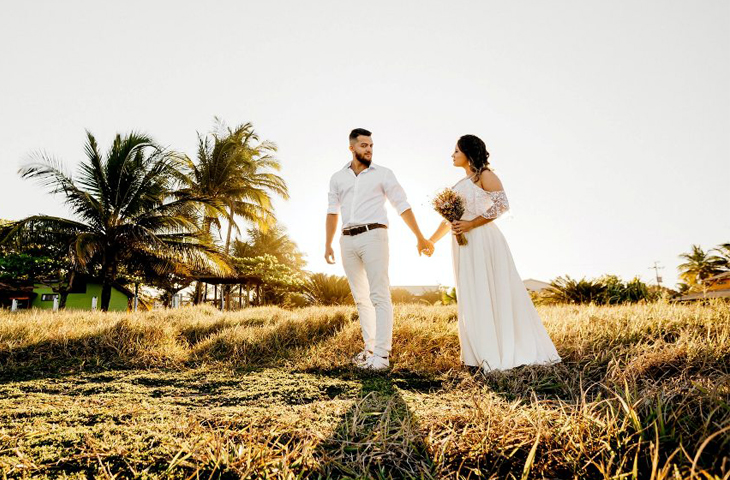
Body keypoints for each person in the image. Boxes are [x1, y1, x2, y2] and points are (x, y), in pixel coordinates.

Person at [428, 134, 561, 371]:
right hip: (462, 245)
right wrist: (430, 241)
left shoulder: (485, 175)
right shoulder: (458, 185)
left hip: (482, 239)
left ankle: (500, 351)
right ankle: (478, 354)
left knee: (491, 289)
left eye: (456, 151)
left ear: (468, 154)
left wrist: (470, 225)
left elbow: (502, 205)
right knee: (471, 294)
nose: (452, 155)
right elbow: (448, 221)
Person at [325, 128, 434, 371]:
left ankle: (382, 356)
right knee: (361, 299)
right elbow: (332, 211)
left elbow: (402, 205)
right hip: (347, 239)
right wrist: (328, 243)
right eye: (364, 145)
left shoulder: (383, 174)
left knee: (379, 296)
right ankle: (370, 350)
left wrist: (419, 236)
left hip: (374, 235)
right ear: (352, 148)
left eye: (371, 145)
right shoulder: (337, 178)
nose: (369, 149)